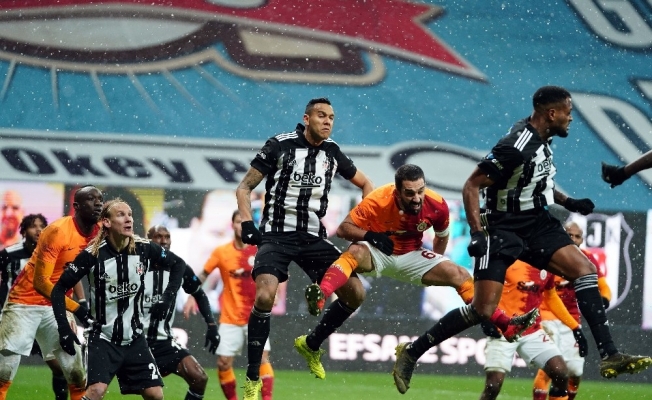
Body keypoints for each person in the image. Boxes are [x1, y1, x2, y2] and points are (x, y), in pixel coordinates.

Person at [392, 85, 651, 394]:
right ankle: (413, 351)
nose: (571, 118)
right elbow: (472, 185)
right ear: (551, 114)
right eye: (568, 112)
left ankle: (609, 354)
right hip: (502, 228)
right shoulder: (516, 145)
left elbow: (538, 180)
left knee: (585, 271)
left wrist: (569, 202)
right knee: (482, 309)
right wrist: (477, 233)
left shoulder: (544, 140)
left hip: (537, 224)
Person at [235, 97, 373, 400]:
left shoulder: (332, 152)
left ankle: (311, 345)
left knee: (356, 293)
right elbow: (244, 187)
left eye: (331, 117)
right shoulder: (280, 145)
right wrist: (247, 222)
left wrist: (363, 224)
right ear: (306, 119)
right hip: (276, 235)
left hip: (312, 237)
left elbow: (366, 184)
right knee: (265, 296)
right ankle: (253, 377)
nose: (327, 121)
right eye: (321, 116)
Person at [305, 164, 537, 341]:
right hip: (378, 252)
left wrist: (434, 262)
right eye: (409, 193)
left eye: (420, 191)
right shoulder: (378, 199)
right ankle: (321, 295)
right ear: (397, 192)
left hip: (412, 256)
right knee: (355, 251)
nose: (416, 198)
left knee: (459, 274)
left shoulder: (436, 204)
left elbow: (442, 236)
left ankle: (506, 325)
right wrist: (370, 236)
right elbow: (344, 229)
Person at [50, 199, 186, 400]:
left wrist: (167, 298)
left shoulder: (143, 248)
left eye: (130, 214)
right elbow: (58, 289)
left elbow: (178, 264)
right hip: (103, 338)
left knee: (155, 395)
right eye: (121, 215)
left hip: (135, 338)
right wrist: (63, 329)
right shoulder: (92, 254)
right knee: (96, 391)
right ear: (106, 222)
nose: (128, 219)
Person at [0, 185, 104, 400]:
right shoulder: (58, 231)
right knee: (4, 372)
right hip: (24, 302)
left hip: (57, 304)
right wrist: (78, 309)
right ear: (76, 206)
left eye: (100, 199)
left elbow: (73, 272)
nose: (98, 204)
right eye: (91, 199)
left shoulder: (102, 231)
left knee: (76, 373)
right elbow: (41, 283)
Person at [183, 210, 274, 400]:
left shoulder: (259, 250)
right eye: (238, 221)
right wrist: (192, 294)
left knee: (262, 359)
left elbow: (275, 273)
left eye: (245, 222)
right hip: (230, 317)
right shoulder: (221, 252)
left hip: (257, 316)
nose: (242, 226)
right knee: (223, 363)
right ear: (232, 225)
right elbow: (204, 274)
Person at [480, 260, 586, 400]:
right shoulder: (508, 260)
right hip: (503, 330)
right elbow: (483, 286)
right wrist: (486, 318)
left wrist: (574, 327)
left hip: (532, 331)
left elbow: (551, 297)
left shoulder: (546, 264)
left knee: (560, 373)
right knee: (493, 386)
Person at [532, 222, 612, 400]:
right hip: (547, 316)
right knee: (551, 368)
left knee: (575, 372)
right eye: (570, 235)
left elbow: (604, 287)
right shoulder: (549, 255)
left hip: (572, 320)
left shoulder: (587, 259)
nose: (574, 239)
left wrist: (603, 301)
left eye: (577, 236)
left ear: (582, 239)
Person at [144, 225, 220, 400]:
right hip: (135, 341)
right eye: (158, 237)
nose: (164, 241)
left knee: (199, 378)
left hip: (164, 342)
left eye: (167, 237)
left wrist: (211, 325)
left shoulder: (178, 266)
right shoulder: (135, 265)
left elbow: (199, 294)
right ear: (148, 240)